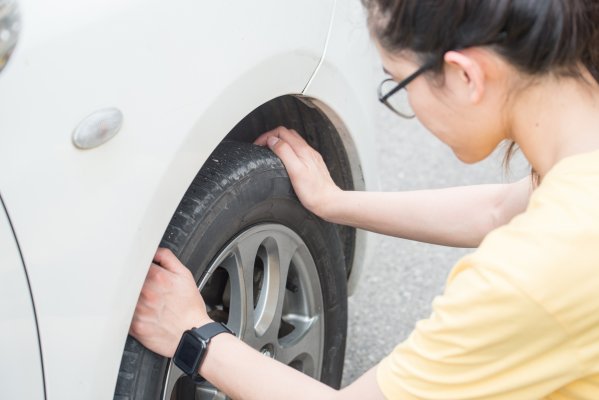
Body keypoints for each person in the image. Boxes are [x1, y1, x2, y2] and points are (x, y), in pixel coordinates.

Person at [129, 0, 599, 398]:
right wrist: (335, 203)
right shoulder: (579, 165)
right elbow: (500, 210)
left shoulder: (538, 272)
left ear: (463, 75)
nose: (409, 105)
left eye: (398, 83)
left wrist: (195, 334)